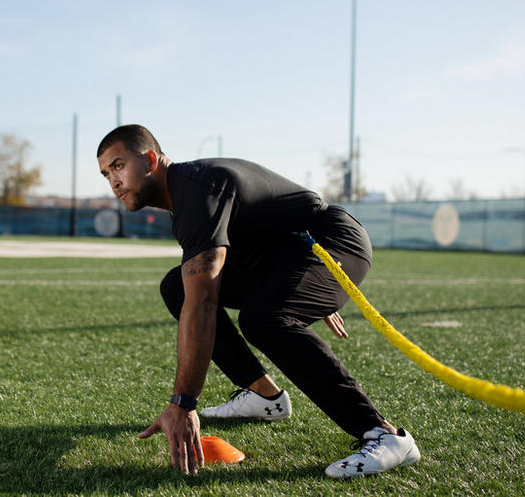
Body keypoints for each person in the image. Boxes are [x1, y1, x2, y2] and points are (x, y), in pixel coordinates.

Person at [96, 124, 419, 478]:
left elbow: (204, 300)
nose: (113, 181)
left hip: (329, 240)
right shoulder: (183, 197)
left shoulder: (198, 189)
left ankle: (384, 435)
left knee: (263, 317)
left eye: (118, 166)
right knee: (177, 286)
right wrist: (300, 287)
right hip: (282, 253)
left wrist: (183, 403)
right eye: (105, 173)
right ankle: (264, 397)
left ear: (151, 160)